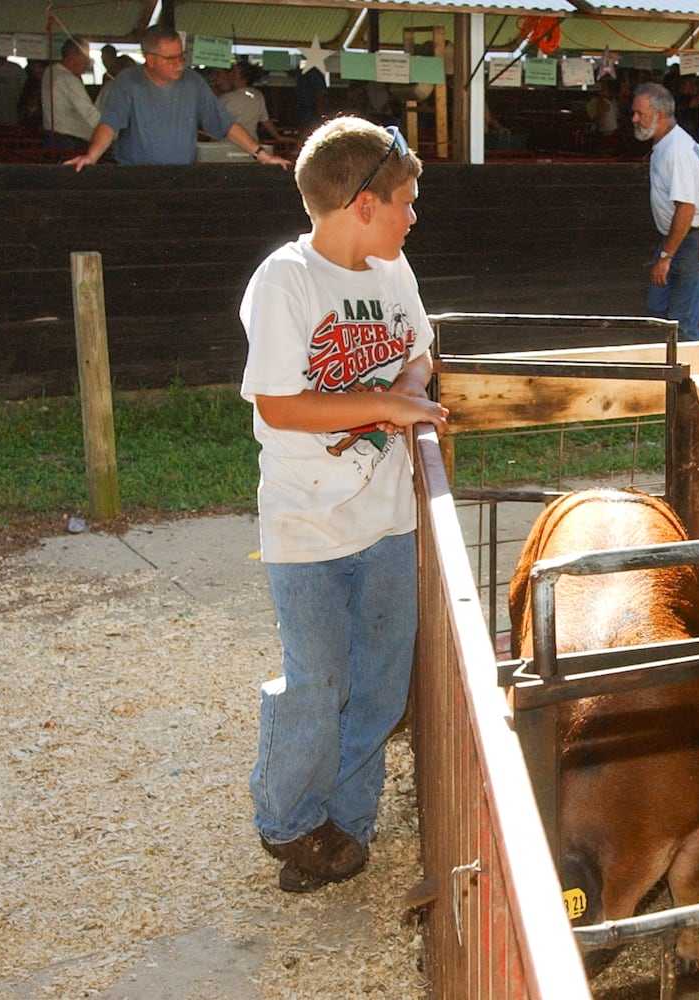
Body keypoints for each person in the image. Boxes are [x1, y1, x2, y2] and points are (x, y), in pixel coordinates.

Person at [238, 116, 449, 893]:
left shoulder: (395, 276)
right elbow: (280, 406)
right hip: (305, 520)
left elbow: (419, 353)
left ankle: (347, 824)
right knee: (316, 680)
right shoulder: (286, 280)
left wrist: (407, 391)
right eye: (406, 200)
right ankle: (288, 819)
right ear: (364, 203)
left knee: (381, 684)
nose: (413, 215)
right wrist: (389, 409)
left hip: (387, 519)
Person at [65, 25, 290, 170]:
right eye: (171, 59)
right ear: (150, 59)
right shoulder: (127, 82)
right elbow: (110, 124)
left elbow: (226, 123)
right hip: (135, 176)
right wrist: (91, 157)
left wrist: (262, 155)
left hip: (181, 174)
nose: (179, 64)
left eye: (181, 57)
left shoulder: (193, 82)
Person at [630, 81, 699, 342]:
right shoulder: (667, 145)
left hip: (689, 241)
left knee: (683, 323)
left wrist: (666, 257)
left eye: (640, 114)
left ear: (661, 115)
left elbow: (686, 209)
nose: (634, 119)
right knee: (658, 309)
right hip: (678, 239)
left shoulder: (676, 151)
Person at [40, 39, 99, 149]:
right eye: (85, 60)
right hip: (70, 141)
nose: (87, 65)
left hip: (51, 136)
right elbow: (89, 114)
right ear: (72, 58)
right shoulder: (69, 80)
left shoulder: (50, 72)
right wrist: (109, 131)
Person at [213, 60, 279, 142]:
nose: (230, 75)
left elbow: (213, 121)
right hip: (251, 144)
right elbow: (265, 121)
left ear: (243, 79)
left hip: (227, 144)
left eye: (234, 73)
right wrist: (278, 137)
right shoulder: (258, 96)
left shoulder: (227, 98)